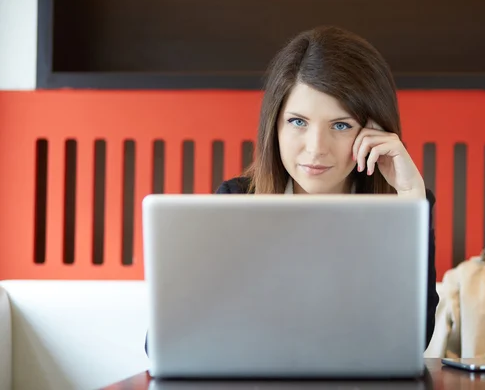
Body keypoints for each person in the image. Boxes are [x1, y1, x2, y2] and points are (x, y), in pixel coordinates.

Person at [145, 26, 439, 355]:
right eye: (298, 122)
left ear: (375, 131)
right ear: (275, 125)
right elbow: (162, 342)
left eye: (341, 125)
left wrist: (410, 201)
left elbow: (414, 341)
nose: (315, 149)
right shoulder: (236, 201)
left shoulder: (406, 204)